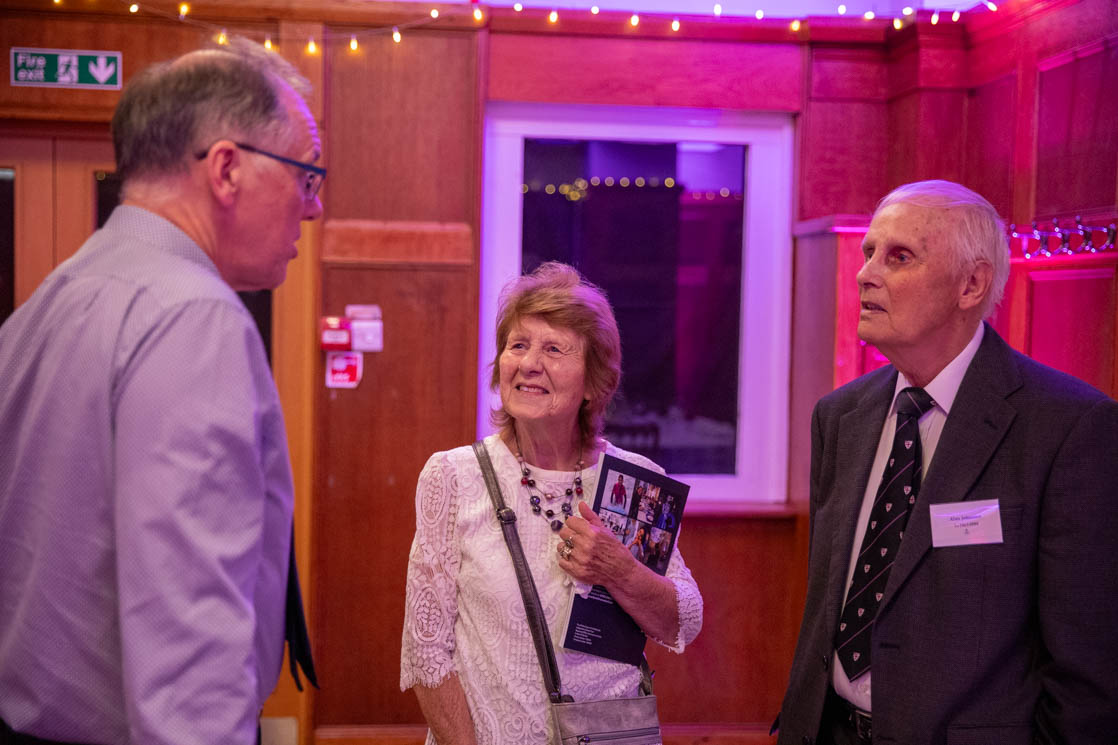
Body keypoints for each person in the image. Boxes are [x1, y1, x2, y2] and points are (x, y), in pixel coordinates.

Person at [0, 38, 323, 744]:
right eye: (305, 175)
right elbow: (189, 639)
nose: (314, 206)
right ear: (227, 169)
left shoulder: (48, 303)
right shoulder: (192, 317)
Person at [776, 180, 1118, 745]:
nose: (865, 274)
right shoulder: (839, 416)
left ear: (971, 285)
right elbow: (824, 613)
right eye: (869, 252)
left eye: (899, 257)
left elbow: (1088, 672)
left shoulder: (1070, 428)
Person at [400, 262, 703, 745]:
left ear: (594, 382)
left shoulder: (636, 480)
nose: (528, 363)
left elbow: (682, 621)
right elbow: (426, 652)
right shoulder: (453, 476)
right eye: (518, 345)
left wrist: (619, 570)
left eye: (554, 349)